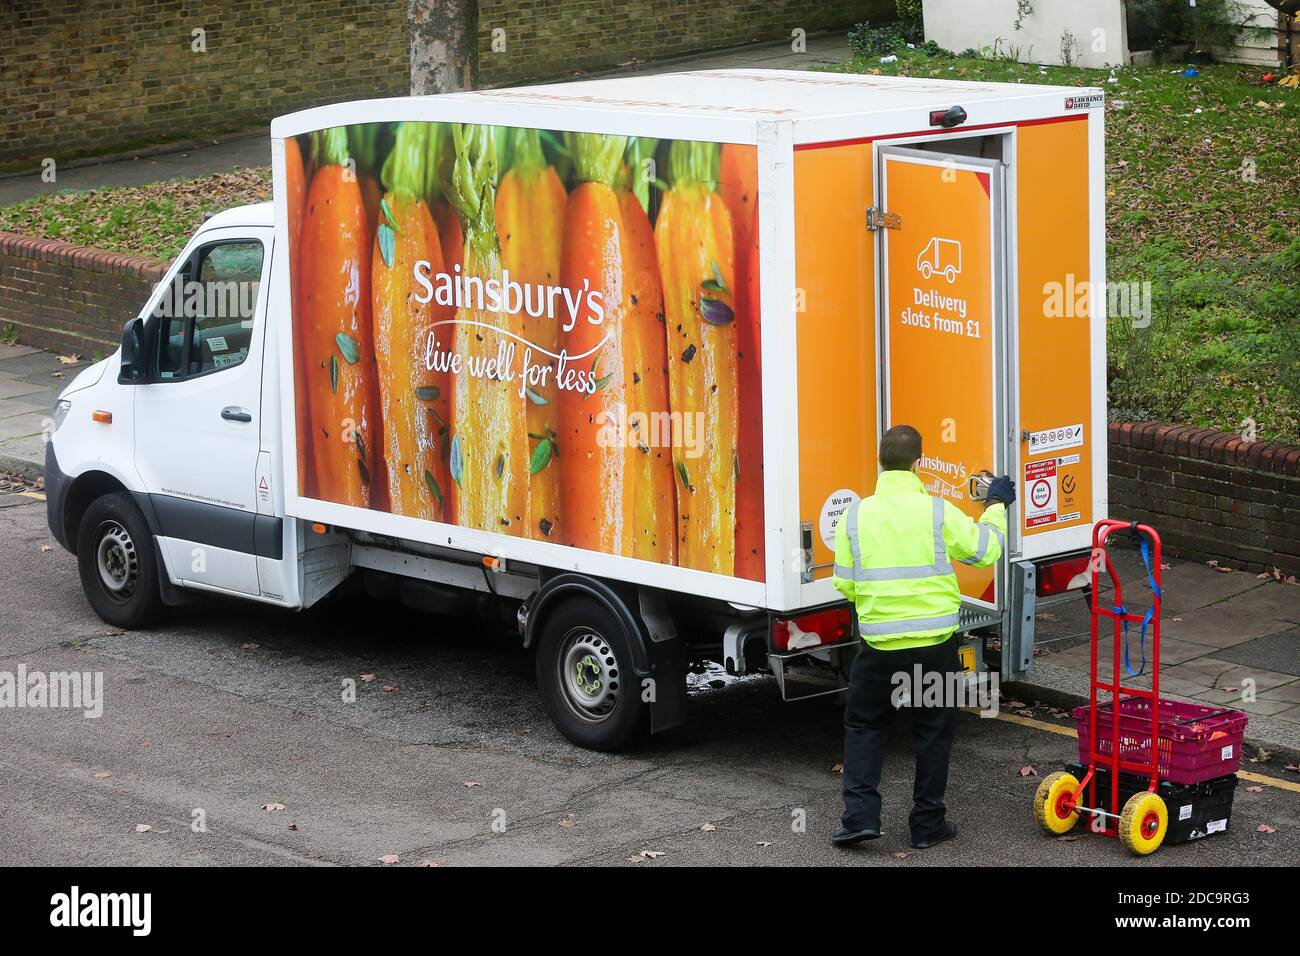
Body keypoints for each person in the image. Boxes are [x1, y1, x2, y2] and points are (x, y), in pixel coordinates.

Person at [830, 424, 1014, 849]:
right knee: (932, 730)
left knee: (865, 726)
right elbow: (984, 550)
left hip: (878, 647)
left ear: (881, 463)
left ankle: (859, 818)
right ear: (918, 464)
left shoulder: (856, 515)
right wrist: (995, 504)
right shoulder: (937, 510)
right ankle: (927, 824)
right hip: (935, 644)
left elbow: (845, 583)